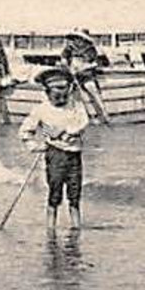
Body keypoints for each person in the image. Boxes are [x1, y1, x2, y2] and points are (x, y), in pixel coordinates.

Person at [19, 66, 90, 232]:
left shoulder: (76, 106)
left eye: (64, 90)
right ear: (47, 91)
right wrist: (35, 146)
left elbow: (84, 122)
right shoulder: (42, 109)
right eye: (56, 92)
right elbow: (25, 130)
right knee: (55, 191)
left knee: (74, 193)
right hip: (55, 154)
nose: (61, 95)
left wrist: (67, 131)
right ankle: (50, 228)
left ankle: (76, 226)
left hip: (74, 154)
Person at [61, 29, 111, 124]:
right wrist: (68, 67)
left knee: (91, 88)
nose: (76, 40)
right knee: (70, 92)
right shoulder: (69, 49)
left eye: (78, 38)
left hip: (86, 75)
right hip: (72, 76)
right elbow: (63, 60)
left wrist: (83, 67)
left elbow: (95, 63)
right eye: (75, 38)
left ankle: (103, 113)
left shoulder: (90, 49)